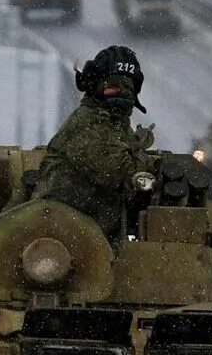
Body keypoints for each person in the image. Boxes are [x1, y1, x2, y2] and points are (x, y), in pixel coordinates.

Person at [31, 45, 150, 242]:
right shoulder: (88, 123)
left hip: (90, 235)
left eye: (128, 86)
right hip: (57, 234)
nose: (121, 91)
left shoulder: (117, 126)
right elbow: (116, 171)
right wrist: (146, 169)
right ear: (95, 86)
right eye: (113, 85)